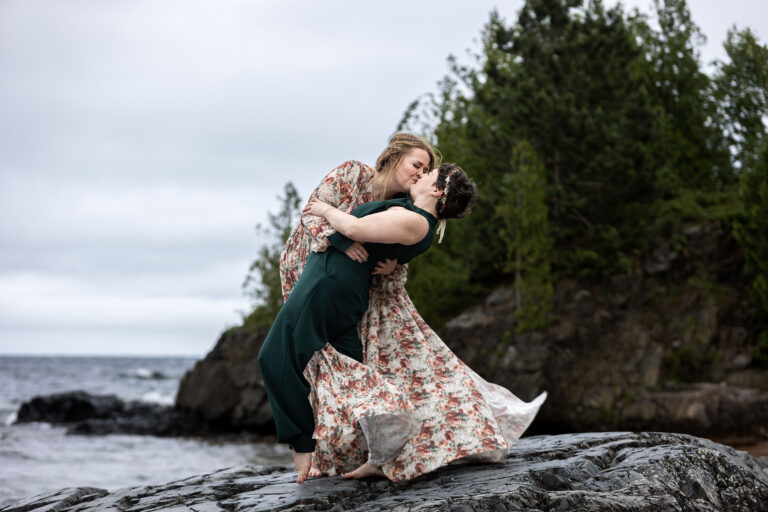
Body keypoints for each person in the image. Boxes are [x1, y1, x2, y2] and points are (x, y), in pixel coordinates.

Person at [280, 134, 547, 482]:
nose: (420, 174)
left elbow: (390, 235)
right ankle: (343, 452)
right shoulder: (353, 175)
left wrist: (393, 266)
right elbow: (312, 215)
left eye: (427, 170)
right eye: (417, 165)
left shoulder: (409, 205)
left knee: (359, 366)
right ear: (395, 157)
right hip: (311, 266)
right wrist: (342, 237)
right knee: (334, 364)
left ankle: (358, 451)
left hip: (360, 289)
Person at [257, 163, 477, 483]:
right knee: (349, 372)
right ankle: (370, 454)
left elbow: (356, 229)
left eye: (428, 174)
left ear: (437, 191)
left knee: (274, 358)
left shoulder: (414, 219)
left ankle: (303, 444)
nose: (421, 175)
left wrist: (324, 209)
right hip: (340, 286)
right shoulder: (411, 213)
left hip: (328, 285)